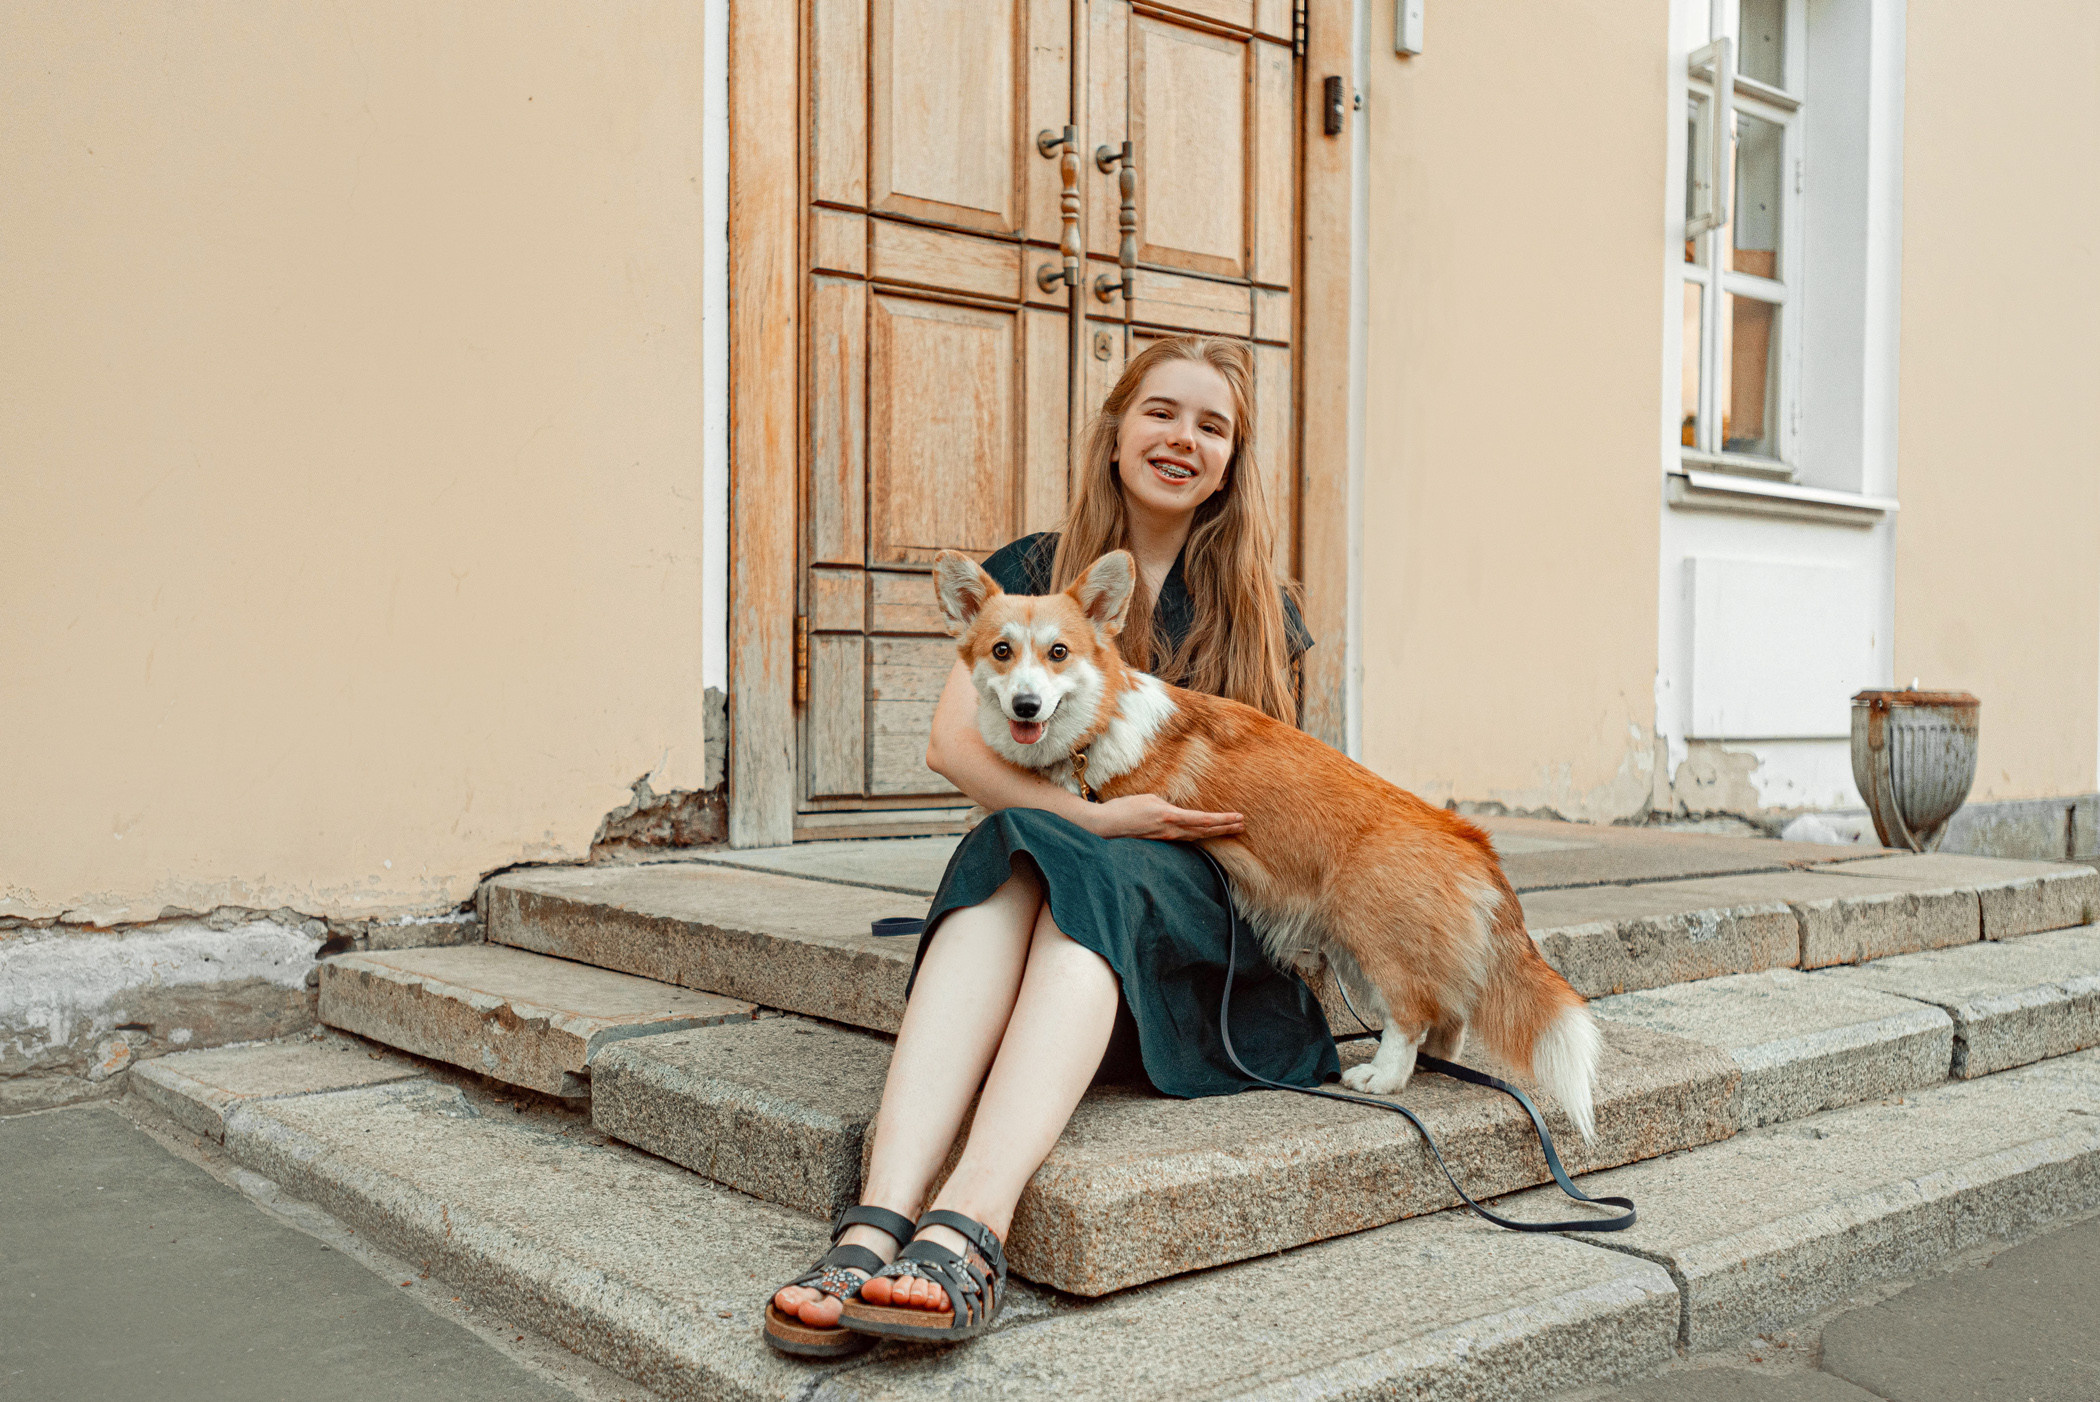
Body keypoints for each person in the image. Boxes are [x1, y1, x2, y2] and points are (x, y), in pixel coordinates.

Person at [762, 334, 1337, 1355]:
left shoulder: (1264, 607)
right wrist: (1099, 820)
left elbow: (1286, 799)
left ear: (1230, 463)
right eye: (1161, 412)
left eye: (1212, 426)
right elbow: (951, 745)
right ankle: (877, 1220)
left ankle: (969, 1220)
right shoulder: (1031, 571)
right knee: (1028, 843)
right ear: (1115, 433)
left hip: (1198, 908)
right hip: (1069, 869)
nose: (1183, 438)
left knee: (1060, 854)